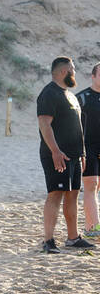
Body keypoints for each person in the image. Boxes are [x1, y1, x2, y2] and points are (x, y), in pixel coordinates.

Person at [37, 56, 94, 254]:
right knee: (55, 194)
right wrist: (55, 151)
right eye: (73, 69)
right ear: (63, 72)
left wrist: (82, 153)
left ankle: (72, 238)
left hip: (74, 155)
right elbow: (44, 124)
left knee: (73, 194)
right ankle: (48, 240)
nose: (75, 72)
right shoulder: (49, 94)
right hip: (56, 154)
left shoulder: (69, 95)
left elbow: (78, 127)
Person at [76, 62, 100, 237]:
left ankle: (92, 226)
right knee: (91, 186)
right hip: (87, 148)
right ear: (93, 76)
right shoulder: (82, 98)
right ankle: (93, 228)